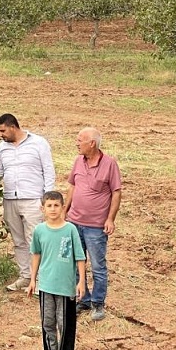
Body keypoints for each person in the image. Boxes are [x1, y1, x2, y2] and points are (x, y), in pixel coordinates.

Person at [27, 191, 86, 350]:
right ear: (43, 209)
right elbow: (36, 255)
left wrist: (81, 281)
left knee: (66, 326)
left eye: (56, 205)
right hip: (46, 287)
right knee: (48, 324)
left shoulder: (70, 230)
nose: (53, 209)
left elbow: (80, 257)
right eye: (49, 206)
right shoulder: (39, 231)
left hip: (65, 288)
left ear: (62, 207)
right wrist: (33, 280)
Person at [0, 113, 56, 292]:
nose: (1, 135)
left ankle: (42, 281)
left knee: (35, 240)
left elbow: (49, 171)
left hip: (33, 199)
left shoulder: (38, 143)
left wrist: (47, 198)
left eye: (3, 130)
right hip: (10, 199)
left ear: (13, 127)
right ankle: (25, 276)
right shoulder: (2, 147)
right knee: (18, 240)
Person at [64, 127, 122, 321]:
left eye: (80, 140)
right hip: (74, 222)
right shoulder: (77, 162)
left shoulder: (109, 164)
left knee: (98, 265)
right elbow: (72, 186)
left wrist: (110, 218)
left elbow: (116, 192)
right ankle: (84, 299)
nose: (76, 143)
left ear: (92, 144)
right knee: (76, 263)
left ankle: (98, 303)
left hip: (96, 226)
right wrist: (65, 210)